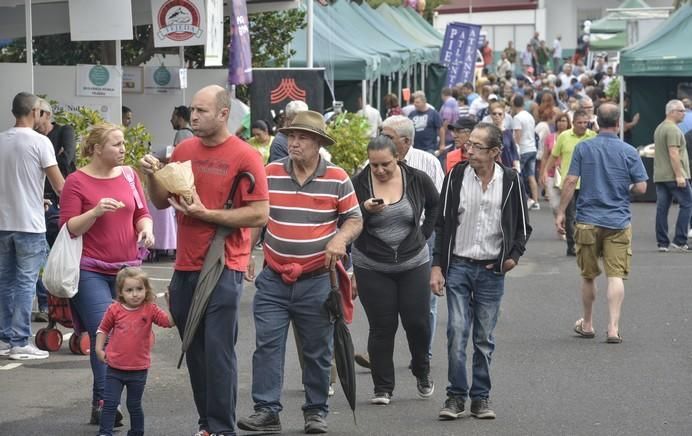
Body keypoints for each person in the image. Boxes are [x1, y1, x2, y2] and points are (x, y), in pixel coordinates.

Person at [141, 85, 270, 436]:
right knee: (194, 351)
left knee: (217, 352)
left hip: (224, 264)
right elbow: (163, 201)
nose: (193, 116)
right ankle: (207, 424)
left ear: (223, 114)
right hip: (184, 266)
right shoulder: (184, 149)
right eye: (192, 110)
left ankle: (221, 428)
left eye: (201, 111)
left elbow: (259, 214)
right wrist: (153, 174)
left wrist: (208, 214)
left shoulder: (246, 156)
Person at [237, 110, 362, 434]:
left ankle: (316, 412)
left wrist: (339, 238)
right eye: (291, 136)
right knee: (267, 346)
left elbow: (354, 219)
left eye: (302, 137)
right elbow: (259, 217)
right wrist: (247, 251)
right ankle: (266, 410)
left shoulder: (337, 177)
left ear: (318, 143)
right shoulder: (271, 172)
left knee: (317, 351)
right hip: (274, 278)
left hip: (317, 280)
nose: (293, 142)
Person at [431, 122, 531, 421]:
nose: (468, 149)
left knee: (484, 338)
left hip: (491, 270)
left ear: (495, 152)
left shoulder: (511, 180)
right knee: (457, 330)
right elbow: (441, 223)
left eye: (476, 146)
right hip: (459, 265)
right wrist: (437, 265)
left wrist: (512, 257)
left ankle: (481, 397)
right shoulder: (456, 176)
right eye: (468, 144)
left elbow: (523, 226)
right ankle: (455, 396)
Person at [60, 122, 153, 426]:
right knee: (107, 330)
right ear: (96, 149)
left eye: (123, 143)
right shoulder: (76, 181)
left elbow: (142, 213)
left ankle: (100, 400)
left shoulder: (129, 176)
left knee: (124, 333)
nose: (123, 149)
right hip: (89, 269)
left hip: (127, 272)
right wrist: (96, 211)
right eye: (116, 144)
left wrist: (146, 231)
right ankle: (105, 403)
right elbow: (70, 227)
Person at [351, 134, 439, 405]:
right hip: (371, 264)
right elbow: (346, 219)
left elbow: (436, 205)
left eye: (385, 164)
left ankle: (421, 370)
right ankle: (383, 387)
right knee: (382, 326)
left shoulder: (416, 178)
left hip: (413, 261)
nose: (379, 170)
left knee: (418, 322)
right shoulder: (358, 183)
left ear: (398, 158)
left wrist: (423, 234)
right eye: (374, 164)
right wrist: (364, 211)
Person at [555, 103, 648, 343]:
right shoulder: (628, 151)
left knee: (588, 275)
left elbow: (570, 181)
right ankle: (613, 328)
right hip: (618, 220)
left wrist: (561, 212)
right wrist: (625, 188)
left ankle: (587, 323)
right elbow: (641, 187)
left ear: (596, 123)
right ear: (618, 124)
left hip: (587, 219)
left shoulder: (584, 148)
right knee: (615, 275)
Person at [0, 92, 64, 360]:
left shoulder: (1, 140)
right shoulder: (41, 142)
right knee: (26, 283)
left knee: (5, 282)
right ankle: (20, 341)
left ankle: (4, 338)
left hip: (3, 223)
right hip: (30, 223)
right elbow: (60, 184)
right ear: (35, 112)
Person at [95, 267, 175, 436]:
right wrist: (98, 349)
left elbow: (168, 322)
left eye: (139, 289)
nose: (135, 294)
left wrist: (171, 304)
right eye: (129, 290)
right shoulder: (114, 310)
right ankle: (105, 433)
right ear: (121, 292)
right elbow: (102, 329)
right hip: (114, 368)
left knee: (134, 405)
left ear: (146, 289)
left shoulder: (150, 309)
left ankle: (137, 432)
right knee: (110, 403)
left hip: (138, 369)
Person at [34, 97, 76, 320]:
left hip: (60, 199)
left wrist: (46, 161)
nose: (33, 117)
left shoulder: (64, 131)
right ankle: (45, 304)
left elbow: (67, 160)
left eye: (37, 113)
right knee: (42, 253)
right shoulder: (32, 139)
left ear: (47, 115)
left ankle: (65, 302)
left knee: (59, 251)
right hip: (38, 201)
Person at [542, 110, 596, 255]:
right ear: (573, 123)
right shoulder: (564, 137)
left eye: (585, 123)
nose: (583, 125)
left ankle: (587, 244)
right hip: (569, 183)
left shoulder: (592, 136)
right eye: (580, 123)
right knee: (570, 216)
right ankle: (571, 246)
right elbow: (553, 156)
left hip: (588, 183)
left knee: (587, 215)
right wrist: (545, 172)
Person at [653, 99, 691, 252]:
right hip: (673, 175)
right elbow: (673, 153)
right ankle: (680, 240)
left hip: (660, 175)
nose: (684, 113)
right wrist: (680, 175)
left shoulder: (659, 128)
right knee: (688, 203)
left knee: (662, 208)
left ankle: (662, 243)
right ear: (672, 112)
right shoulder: (673, 130)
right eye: (681, 111)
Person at [540, 112, 571, 218]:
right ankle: (560, 222)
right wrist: (542, 173)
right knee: (554, 205)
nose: (561, 123)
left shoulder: (571, 137)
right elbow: (545, 157)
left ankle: (566, 229)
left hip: (567, 174)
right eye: (559, 121)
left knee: (568, 204)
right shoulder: (550, 138)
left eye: (564, 121)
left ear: (568, 123)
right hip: (551, 174)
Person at [511, 95, 539, 209]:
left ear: (514, 105)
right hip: (532, 148)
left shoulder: (517, 118)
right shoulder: (530, 116)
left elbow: (517, 134)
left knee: (517, 175)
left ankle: (526, 199)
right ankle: (535, 201)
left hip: (522, 149)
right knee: (531, 176)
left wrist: (516, 147)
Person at [488, 101, 520, 171]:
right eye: (494, 114)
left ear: (504, 116)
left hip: (507, 168)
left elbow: (514, 152)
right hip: (491, 169)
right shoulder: (487, 132)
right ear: (491, 115)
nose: (497, 116)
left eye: (500, 114)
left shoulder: (508, 133)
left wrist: (517, 169)